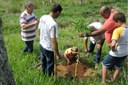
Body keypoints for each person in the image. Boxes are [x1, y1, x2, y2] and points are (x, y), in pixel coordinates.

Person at [102, 12, 128, 85]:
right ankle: (112, 81)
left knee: (104, 64)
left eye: (115, 23)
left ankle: (104, 82)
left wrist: (113, 49)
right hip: (125, 52)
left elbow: (113, 44)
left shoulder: (117, 30)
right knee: (118, 67)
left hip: (116, 53)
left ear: (119, 21)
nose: (115, 25)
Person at [38, 4, 62, 76]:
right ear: (57, 12)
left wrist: (42, 39)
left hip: (41, 44)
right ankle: (49, 79)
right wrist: (57, 54)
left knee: (43, 62)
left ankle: (44, 75)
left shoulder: (43, 17)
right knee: (50, 65)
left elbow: (39, 30)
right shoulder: (53, 24)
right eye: (60, 13)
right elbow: (53, 41)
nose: (60, 14)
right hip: (48, 48)